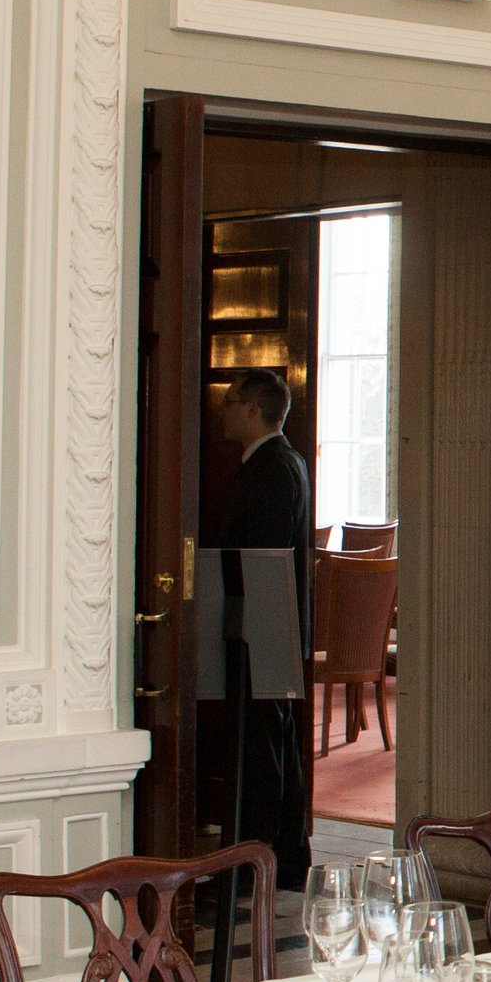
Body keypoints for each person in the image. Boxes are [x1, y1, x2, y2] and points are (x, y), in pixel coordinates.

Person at [208, 367, 312, 892]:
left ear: (253, 409)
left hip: (264, 625)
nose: (222, 410)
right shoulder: (276, 463)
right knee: (270, 744)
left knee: (265, 747)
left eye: (230, 402)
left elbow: (263, 559)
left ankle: (264, 859)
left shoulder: (273, 467)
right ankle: (276, 856)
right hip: (265, 624)